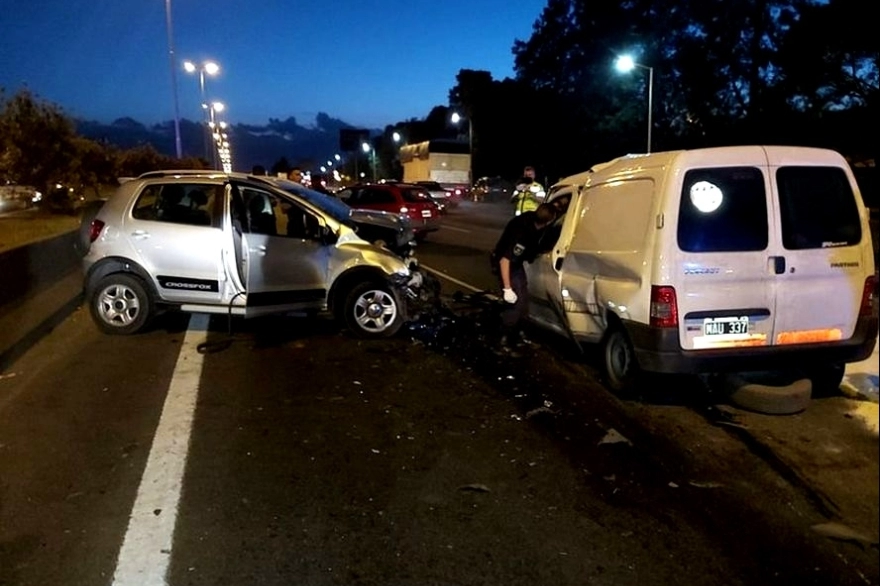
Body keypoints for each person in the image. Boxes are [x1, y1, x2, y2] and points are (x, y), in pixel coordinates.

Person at [491, 202, 556, 353]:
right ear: (550, 220)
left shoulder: (535, 224)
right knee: (515, 305)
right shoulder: (521, 231)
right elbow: (505, 260)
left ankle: (519, 336)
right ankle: (503, 340)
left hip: (516, 264)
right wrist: (507, 288)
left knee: (523, 303)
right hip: (506, 265)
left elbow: (536, 245)